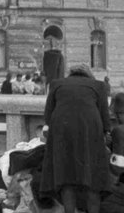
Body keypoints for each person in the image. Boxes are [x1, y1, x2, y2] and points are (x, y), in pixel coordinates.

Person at [41, 63, 110, 213]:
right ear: (88, 75)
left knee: (67, 178)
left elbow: (48, 115)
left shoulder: (57, 84)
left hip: (63, 133)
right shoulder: (98, 85)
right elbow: (105, 118)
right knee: (93, 178)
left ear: (70, 74)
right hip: (90, 133)